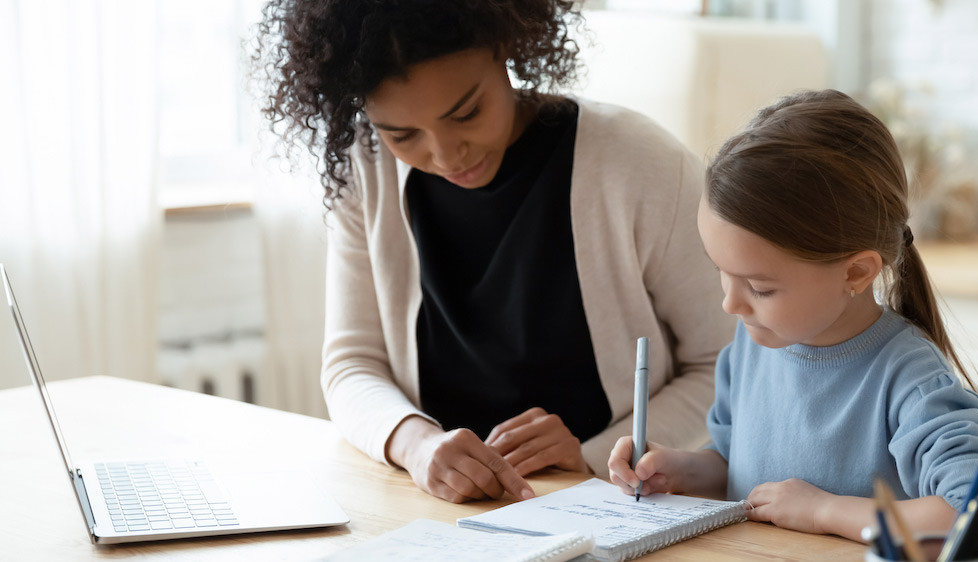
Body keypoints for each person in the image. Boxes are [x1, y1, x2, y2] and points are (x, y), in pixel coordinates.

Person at [252, 0, 733, 504]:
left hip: (610, 502)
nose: (444, 154)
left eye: (466, 112)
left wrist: (599, 456)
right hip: (438, 505)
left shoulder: (642, 165)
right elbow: (352, 363)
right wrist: (418, 445)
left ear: (507, 44)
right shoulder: (365, 170)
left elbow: (726, 367)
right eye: (402, 134)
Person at [607, 90, 978, 561]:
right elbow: (738, 470)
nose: (730, 303)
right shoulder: (751, 347)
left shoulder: (911, 380)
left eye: (760, 288)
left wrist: (825, 510)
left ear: (856, 273)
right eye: (720, 272)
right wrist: (677, 470)